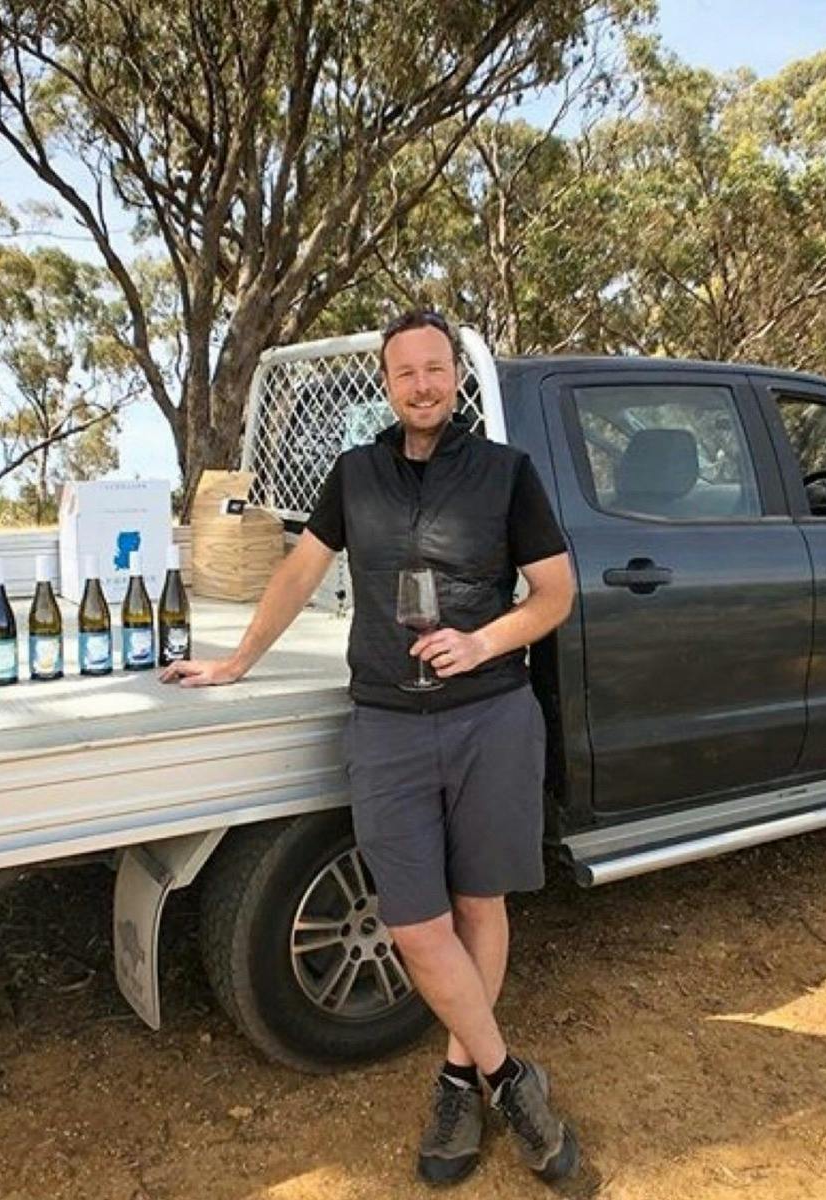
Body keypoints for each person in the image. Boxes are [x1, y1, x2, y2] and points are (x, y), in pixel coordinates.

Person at [160, 309, 580, 1186]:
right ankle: (511, 1076)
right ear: (386, 385)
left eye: (436, 369)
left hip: (490, 715)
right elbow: (302, 570)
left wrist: (482, 643)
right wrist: (238, 659)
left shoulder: (507, 473)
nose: (422, 385)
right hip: (388, 721)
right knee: (412, 922)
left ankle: (461, 1080)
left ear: (455, 378)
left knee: (479, 905)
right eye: (405, 373)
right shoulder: (356, 474)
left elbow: (554, 595)